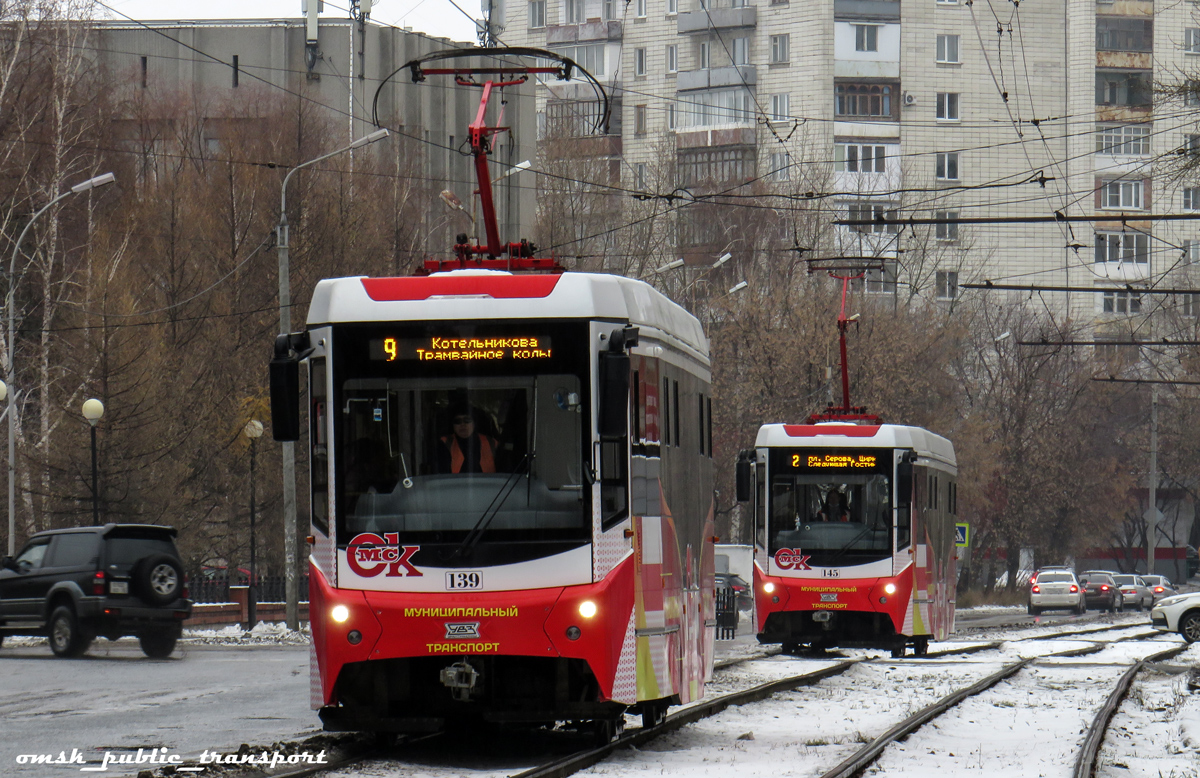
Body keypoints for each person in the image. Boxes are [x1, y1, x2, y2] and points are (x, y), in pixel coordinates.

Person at [438, 407, 499, 473]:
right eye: (457, 421)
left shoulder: (491, 442)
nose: (462, 425)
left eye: (467, 420)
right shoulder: (444, 443)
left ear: (474, 423)